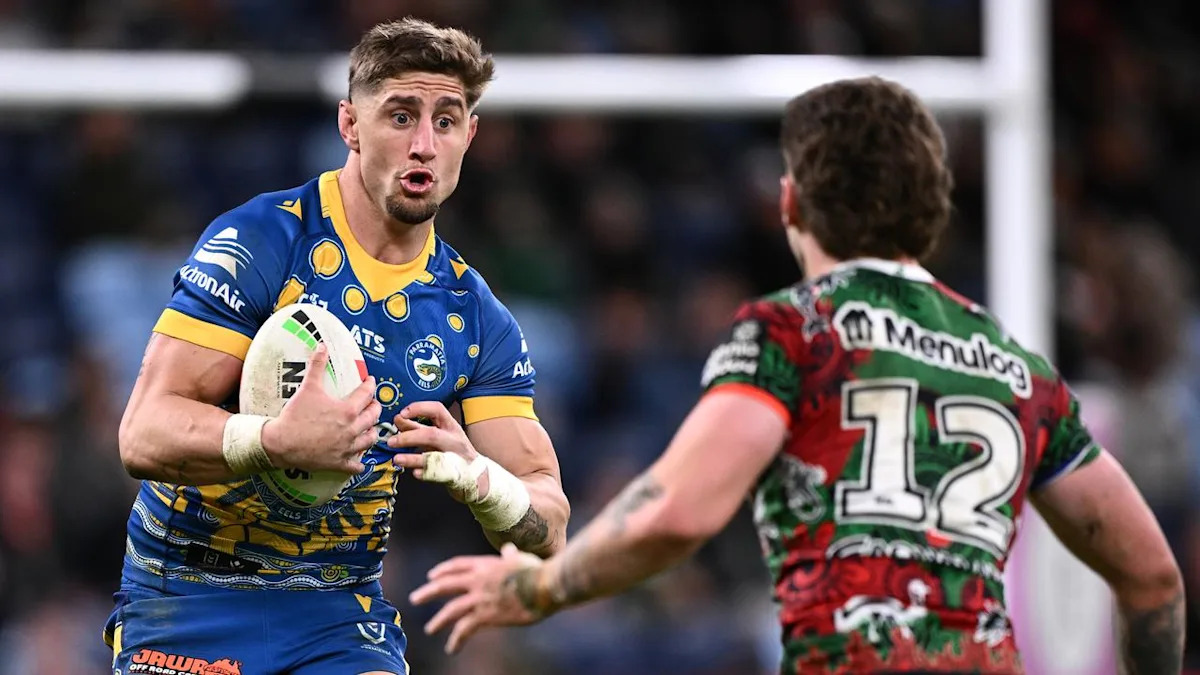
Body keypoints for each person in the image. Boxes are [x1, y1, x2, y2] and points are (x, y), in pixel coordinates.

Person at [408, 77, 1185, 674]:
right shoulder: (1019, 371)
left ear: (790, 202)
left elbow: (676, 511)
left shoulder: (796, 334)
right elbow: (1153, 578)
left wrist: (539, 588)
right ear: (933, 210)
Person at [107, 17, 570, 675]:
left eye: (445, 121)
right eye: (400, 117)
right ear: (350, 125)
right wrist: (275, 441)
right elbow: (143, 434)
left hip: (335, 614)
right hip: (188, 594)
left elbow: (549, 527)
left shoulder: (474, 318)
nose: (423, 145)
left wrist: (481, 478)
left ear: (469, 135)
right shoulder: (263, 242)